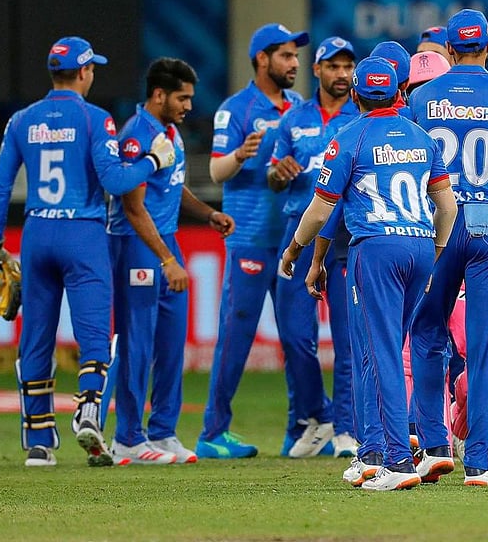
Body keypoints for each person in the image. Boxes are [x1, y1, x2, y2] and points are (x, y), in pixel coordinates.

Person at [0, 36, 176, 467]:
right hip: (83, 234)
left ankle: (38, 444)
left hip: (37, 234)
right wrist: (153, 161)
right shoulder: (95, 119)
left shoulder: (21, 120)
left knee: (35, 339)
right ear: (86, 72)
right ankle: (88, 412)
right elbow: (115, 182)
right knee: (94, 336)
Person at [282, 56, 457, 491]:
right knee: (381, 353)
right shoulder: (421, 137)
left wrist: (296, 248)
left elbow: (322, 208)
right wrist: (433, 255)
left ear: (357, 94)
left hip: (374, 249)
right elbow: (448, 207)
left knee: (380, 356)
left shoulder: (349, 138)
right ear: (399, 93)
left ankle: (397, 462)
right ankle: (371, 453)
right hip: (418, 247)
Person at [408, 8, 488, 487]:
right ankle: (480, 462)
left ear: (447, 48)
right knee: (485, 346)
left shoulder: (421, 98)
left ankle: (434, 446)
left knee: (426, 333)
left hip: (437, 227)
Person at [107, 58, 235, 465]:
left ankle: (162, 432)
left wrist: (207, 214)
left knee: (169, 343)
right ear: (159, 95)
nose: (188, 106)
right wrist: (166, 259)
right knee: (138, 344)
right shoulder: (136, 136)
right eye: (182, 98)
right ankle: (127, 437)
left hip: (166, 244)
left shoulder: (170, 133)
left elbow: (173, 186)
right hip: (138, 246)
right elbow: (133, 207)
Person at [197, 23, 309, 459]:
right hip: (249, 237)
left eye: (296, 56)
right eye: (285, 55)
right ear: (261, 59)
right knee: (237, 334)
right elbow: (216, 172)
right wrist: (239, 155)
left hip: (292, 240)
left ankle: (299, 430)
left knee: (297, 339)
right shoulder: (236, 108)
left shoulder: (301, 107)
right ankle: (213, 432)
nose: (294, 63)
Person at [266, 36, 359, 458]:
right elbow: (272, 176)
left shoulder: (362, 115)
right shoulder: (293, 118)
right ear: (317, 70)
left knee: (346, 336)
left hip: (344, 235)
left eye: (347, 67)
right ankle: (317, 416)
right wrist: (280, 174)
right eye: (333, 67)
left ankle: (345, 428)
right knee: (295, 337)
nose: (341, 74)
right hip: (297, 233)